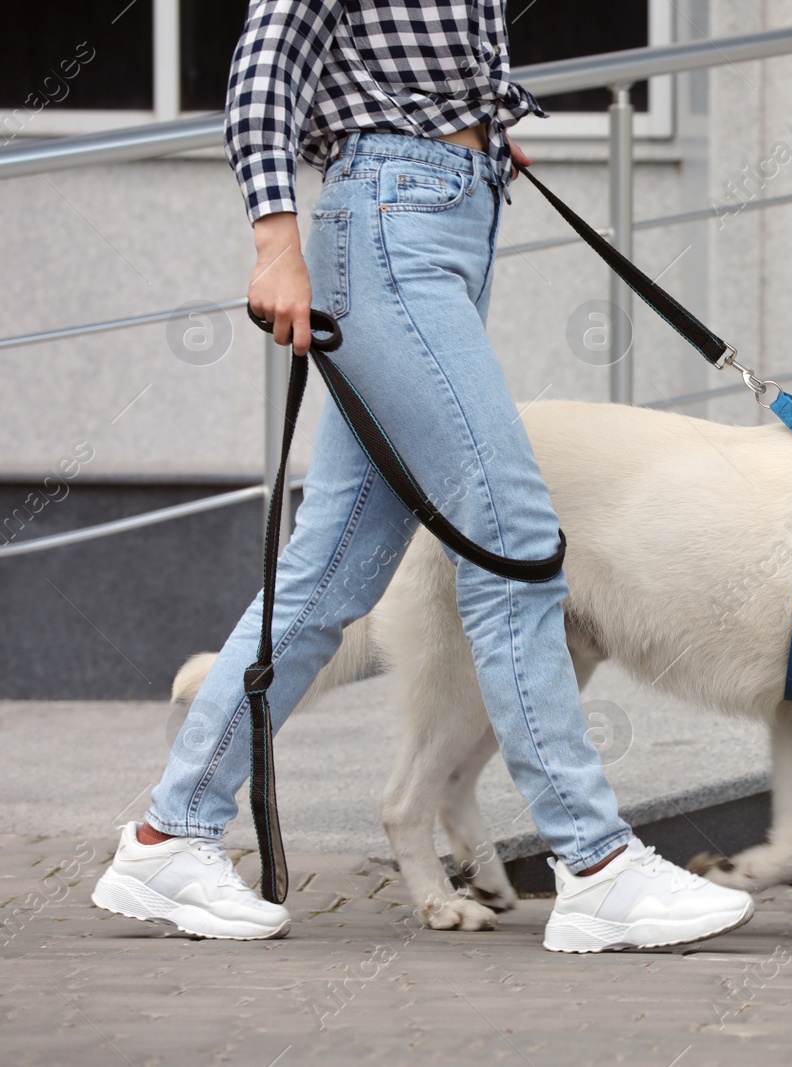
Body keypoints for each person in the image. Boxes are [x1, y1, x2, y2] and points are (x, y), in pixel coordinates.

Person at [91, 0, 754, 952]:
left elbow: (414, 59)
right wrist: (275, 238)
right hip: (394, 227)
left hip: (438, 219)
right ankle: (597, 863)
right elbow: (265, 64)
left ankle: (168, 834)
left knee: (329, 577)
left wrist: (481, 135)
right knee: (513, 537)